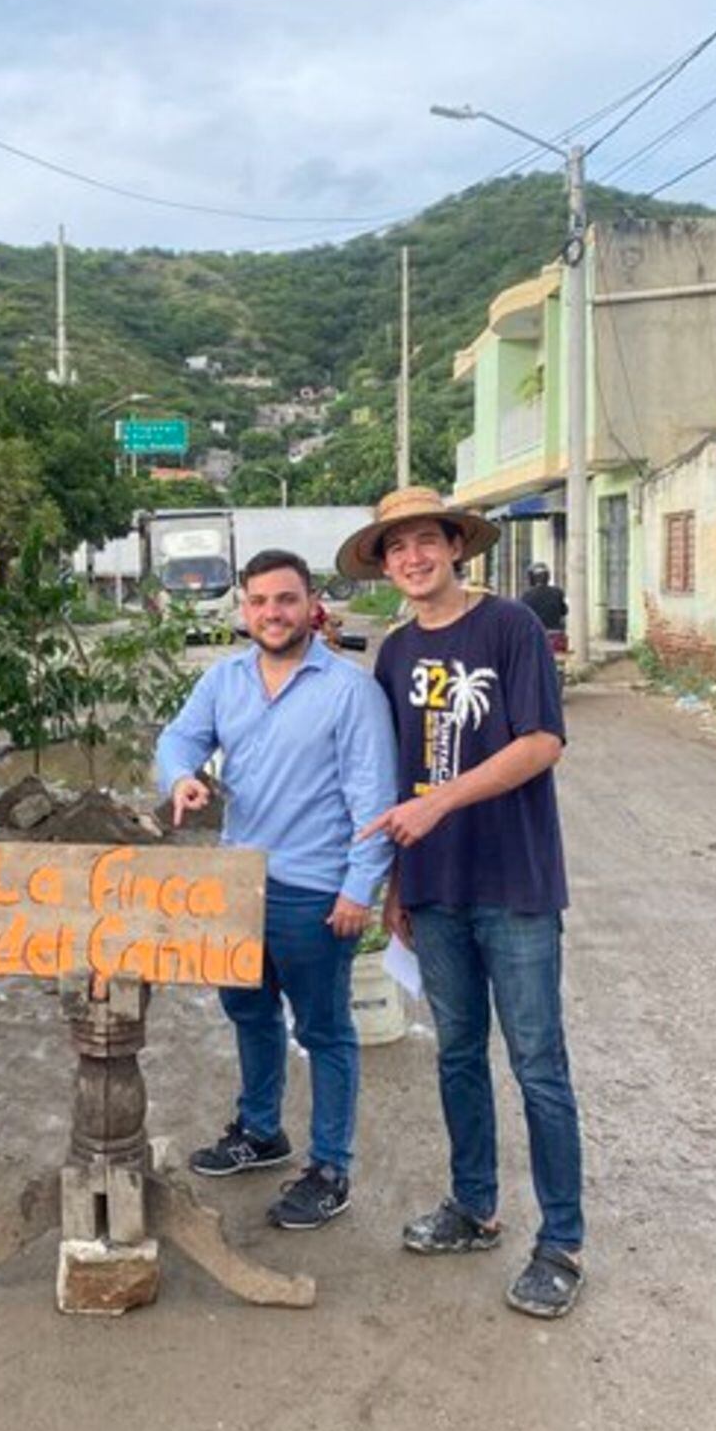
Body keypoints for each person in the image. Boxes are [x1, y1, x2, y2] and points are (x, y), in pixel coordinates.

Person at [340, 487, 585, 1319]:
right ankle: (474, 1207)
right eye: (394, 548)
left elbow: (541, 742)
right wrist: (397, 885)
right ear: (384, 564)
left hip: (513, 883)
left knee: (538, 1066)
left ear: (454, 547)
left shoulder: (509, 627)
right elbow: (394, 771)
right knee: (455, 1055)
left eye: (423, 542)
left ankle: (560, 1242)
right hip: (435, 891)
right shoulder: (394, 651)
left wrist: (441, 802)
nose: (410, 558)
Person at [155, 548, 397, 1230]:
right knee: (248, 1012)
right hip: (235, 884)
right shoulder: (225, 681)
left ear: (310, 603)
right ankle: (260, 1131)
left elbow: (372, 797)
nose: (272, 613)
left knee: (324, 1031)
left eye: (285, 599)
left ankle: (329, 1166)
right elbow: (177, 739)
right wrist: (180, 777)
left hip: (313, 890)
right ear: (243, 608)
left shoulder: (348, 691)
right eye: (259, 601)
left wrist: (358, 890)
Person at [520, 563, 568, 636]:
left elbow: (523, 616)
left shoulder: (527, 595)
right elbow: (564, 611)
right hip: (556, 633)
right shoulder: (557, 592)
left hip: (536, 633)